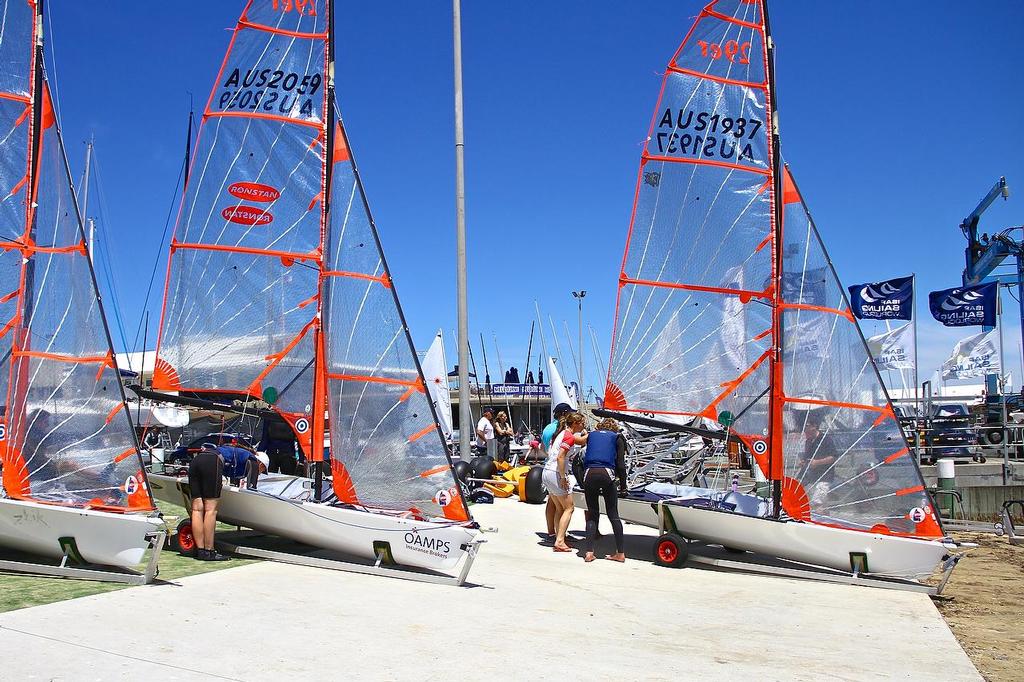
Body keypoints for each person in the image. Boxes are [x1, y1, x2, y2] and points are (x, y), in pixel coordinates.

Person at [582, 418, 627, 563]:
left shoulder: (591, 435)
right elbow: (620, 464)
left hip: (589, 473)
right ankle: (620, 553)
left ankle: (589, 553)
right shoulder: (617, 437)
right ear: (614, 428)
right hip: (606, 473)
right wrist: (623, 486)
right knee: (613, 514)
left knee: (593, 513)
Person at [543, 412, 588, 552]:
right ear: (575, 423)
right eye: (582, 423)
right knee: (569, 508)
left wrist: (588, 435)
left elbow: (580, 441)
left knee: (560, 508)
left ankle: (559, 536)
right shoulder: (568, 436)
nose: (584, 426)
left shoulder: (563, 434)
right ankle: (560, 541)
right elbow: (561, 457)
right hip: (556, 473)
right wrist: (563, 477)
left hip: (547, 472)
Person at [187, 443, 231, 561]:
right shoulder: (249, 457)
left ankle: (201, 551)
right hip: (212, 462)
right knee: (210, 510)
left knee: (196, 509)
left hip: (196, 461)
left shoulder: (219, 449)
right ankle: (209, 550)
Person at [541, 402, 574, 539]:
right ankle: (560, 535)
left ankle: (551, 532)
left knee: (552, 502)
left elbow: (543, 448)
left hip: (548, 465)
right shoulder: (563, 429)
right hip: (556, 468)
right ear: (564, 413)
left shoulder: (548, 428)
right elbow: (562, 453)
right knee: (563, 507)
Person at [799, 413, 838, 505]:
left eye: (807, 426)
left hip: (824, 477)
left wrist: (817, 462)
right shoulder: (808, 441)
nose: (805, 429)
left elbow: (833, 457)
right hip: (812, 477)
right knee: (809, 503)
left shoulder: (825, 439)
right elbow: (806, 457)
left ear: (814, 426)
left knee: (816, 502)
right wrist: (803, 462)